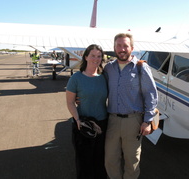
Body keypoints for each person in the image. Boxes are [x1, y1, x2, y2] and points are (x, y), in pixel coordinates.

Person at [104, 33, 158, 179]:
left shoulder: (141, 67)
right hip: (112, 120)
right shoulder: (109, 68)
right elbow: (99, 87)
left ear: (132, 48)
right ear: (114, 48)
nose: (122, 49)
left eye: (125, 46)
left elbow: (151, 95)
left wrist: (147, 121)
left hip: (133, 121)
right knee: (110, 160)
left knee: (132, 161)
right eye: (119, 46)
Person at [66, 44, 108, 179]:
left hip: (102, 124)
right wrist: (77, 119)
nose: (96, 59)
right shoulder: (76, 78)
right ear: (86, 57)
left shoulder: (104, 78)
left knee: (100, 160)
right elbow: (70, 102)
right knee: (84, 163)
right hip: (83, 125)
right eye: (93, 56)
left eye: (99, 56)